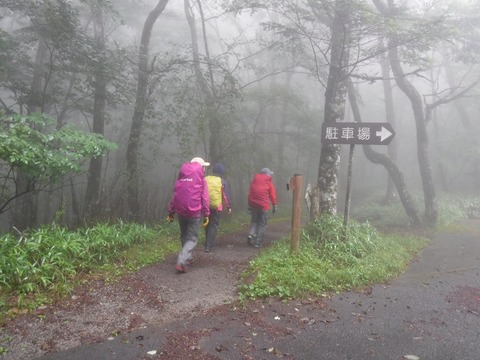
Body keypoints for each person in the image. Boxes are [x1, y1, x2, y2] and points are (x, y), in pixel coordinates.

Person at [167, 157, 210, 273]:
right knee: (191, 238)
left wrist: (171, 212)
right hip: (194, 212)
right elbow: (205, 198)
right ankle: (182, 260)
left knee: (184, 235)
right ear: (201, 168)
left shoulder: (182, 177)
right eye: (204, 167)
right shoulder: (201, 179)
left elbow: (175, 195)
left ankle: (188, 258)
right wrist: (207, 214)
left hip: (181, 211)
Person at [204, 163, 232, 252]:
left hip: (205, 206)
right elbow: (225, 196)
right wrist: (228, 207)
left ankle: (207, 241)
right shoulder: (223, 181)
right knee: (213, 225)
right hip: (216, 207)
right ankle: (209, 246)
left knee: (207, 223)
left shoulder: (206, 179)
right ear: (222, 172)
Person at [247, 167, 277, 248]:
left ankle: (250, 234)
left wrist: (250, 205)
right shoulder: (268, 181)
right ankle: (258, 243)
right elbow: (272, 195)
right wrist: (274, 206)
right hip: (264, 205)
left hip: (253, 204)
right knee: (262, 224)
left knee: (254, 221)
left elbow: (250, 193)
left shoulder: (255, 180)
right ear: (267, 174)